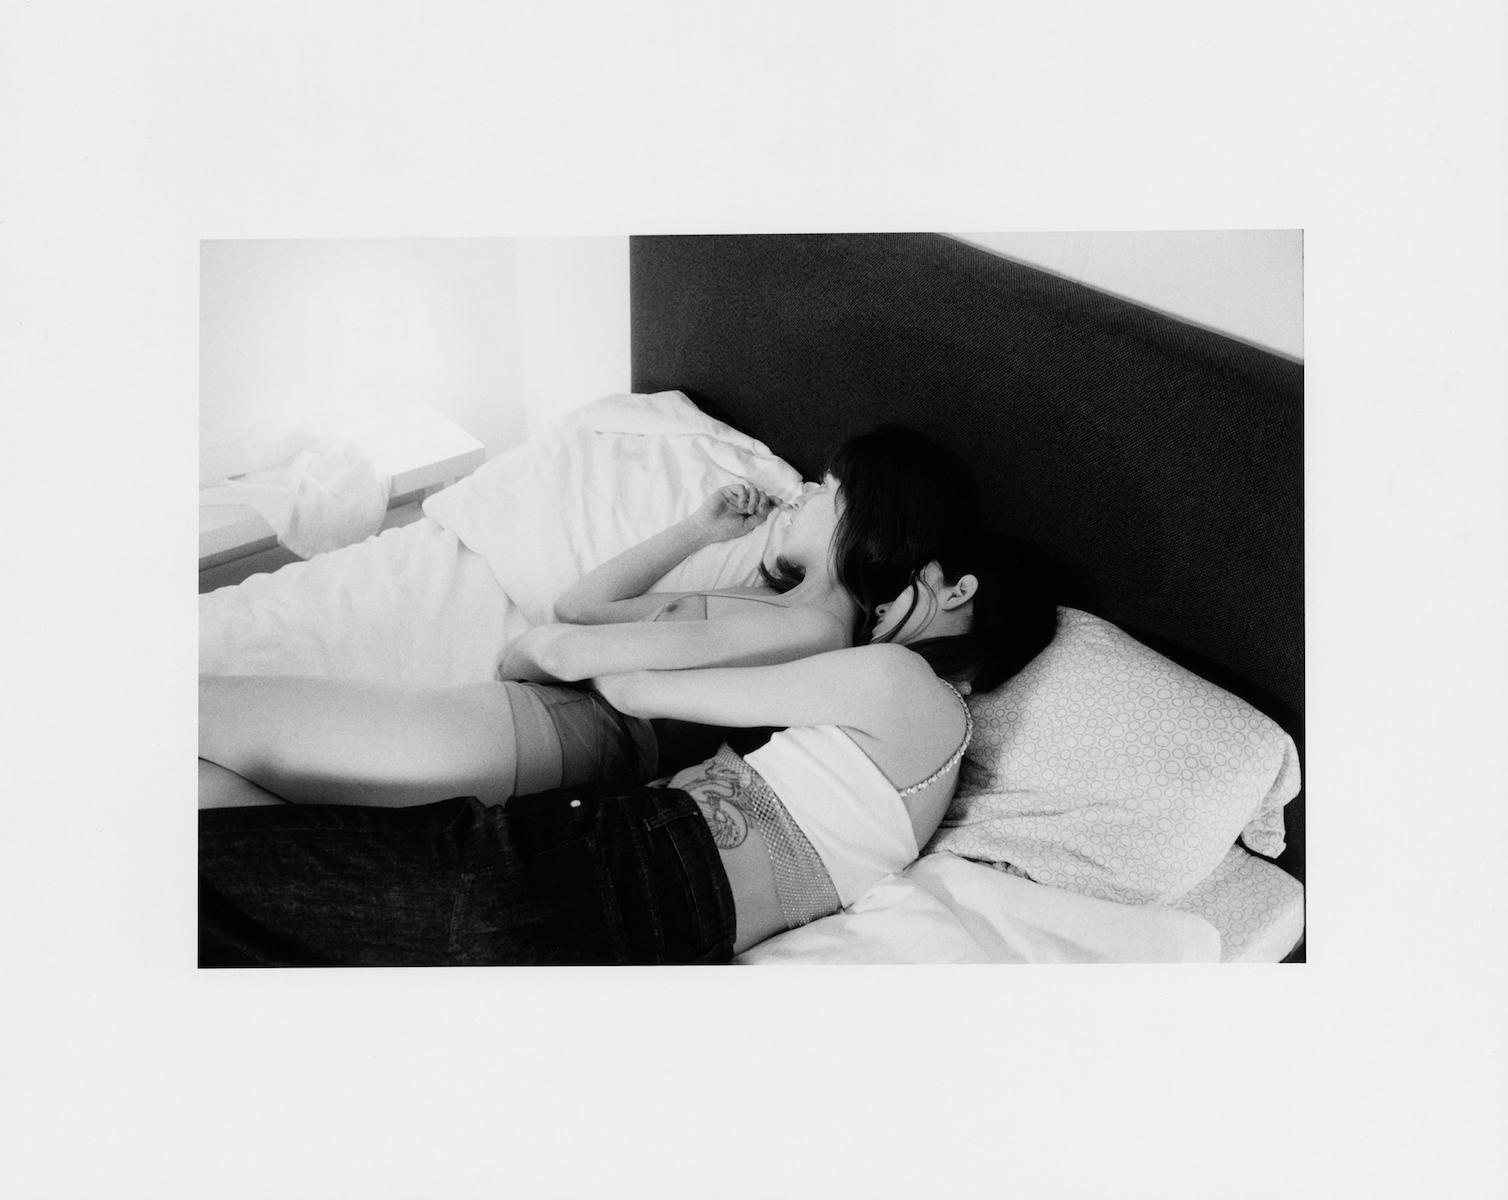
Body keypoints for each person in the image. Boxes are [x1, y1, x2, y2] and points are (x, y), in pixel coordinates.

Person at [198, 532, 1057, 965]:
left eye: (915, 581)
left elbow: (641, 693)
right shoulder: (937, 766)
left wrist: (595, 648)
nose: (890, 598)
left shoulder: (897, 679)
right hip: (661, 937)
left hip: (604, 864)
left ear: (959, 590)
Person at [198, 426, 987, 810]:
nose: (806, 495)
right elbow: (580, 608)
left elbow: (569, 648)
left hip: (551, 734)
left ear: (871, 522)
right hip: (529, 725)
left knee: (197, 719)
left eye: (828, 491)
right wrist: (700, 531)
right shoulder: (770, 605)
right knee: (216, 806)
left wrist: (535, 653)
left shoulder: (813, 633)